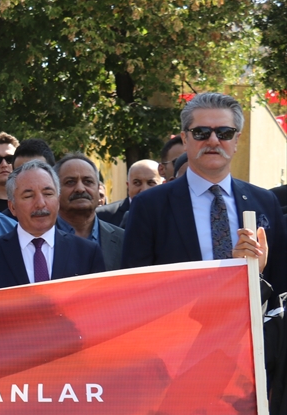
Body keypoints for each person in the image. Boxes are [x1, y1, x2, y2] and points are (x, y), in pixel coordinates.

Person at [122, 92, 285, 295]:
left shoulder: (264, 202)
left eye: (224, 132)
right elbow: (134, 287)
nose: (213, 141)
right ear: (185, 139)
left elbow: (280, 285)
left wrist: (251, 273)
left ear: (236, 140)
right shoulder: (149, 205)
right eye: (201, 132)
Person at [0, 161, 106, 291]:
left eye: (48, 194)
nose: (40, 203)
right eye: (28, 196)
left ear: (58, 201)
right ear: (12, 206)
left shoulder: (87, 253)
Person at [55, 154, 124, 271]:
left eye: (88, 181)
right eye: (70, 182)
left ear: (98, 189)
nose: (80, 189)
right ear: (56, 190)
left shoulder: (123, 239)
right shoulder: (40, 239)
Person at [98, 159, 162, 228]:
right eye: (137, 183)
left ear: (164, 184)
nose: (144, 190)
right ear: (128, 185)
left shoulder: (169, 213)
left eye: (151, 183)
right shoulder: (102, 215)